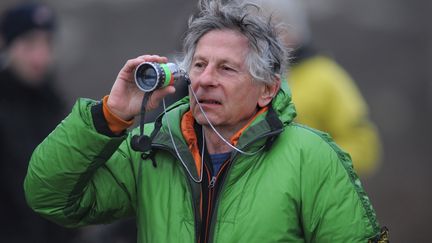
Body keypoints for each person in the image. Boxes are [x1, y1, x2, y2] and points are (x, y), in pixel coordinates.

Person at [24, 0, 388, 242]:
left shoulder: (313, 158)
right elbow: (49, 196)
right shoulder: (152, 149)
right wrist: (110, 116)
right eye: (198, 65)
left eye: (226, 68)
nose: (204, 79)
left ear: (267, 89)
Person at [242, 0, 382, 176]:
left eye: (275, 28)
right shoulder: (240, 77)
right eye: (256, 30)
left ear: (296, 32)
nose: (265, 39)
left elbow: (364, 146)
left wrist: (311, 166)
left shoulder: (325, 77)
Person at [0, 2, 77, 242]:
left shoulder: (54, 103)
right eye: (29, 43)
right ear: (7, 45)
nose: (40, 55)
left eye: (47, 43)